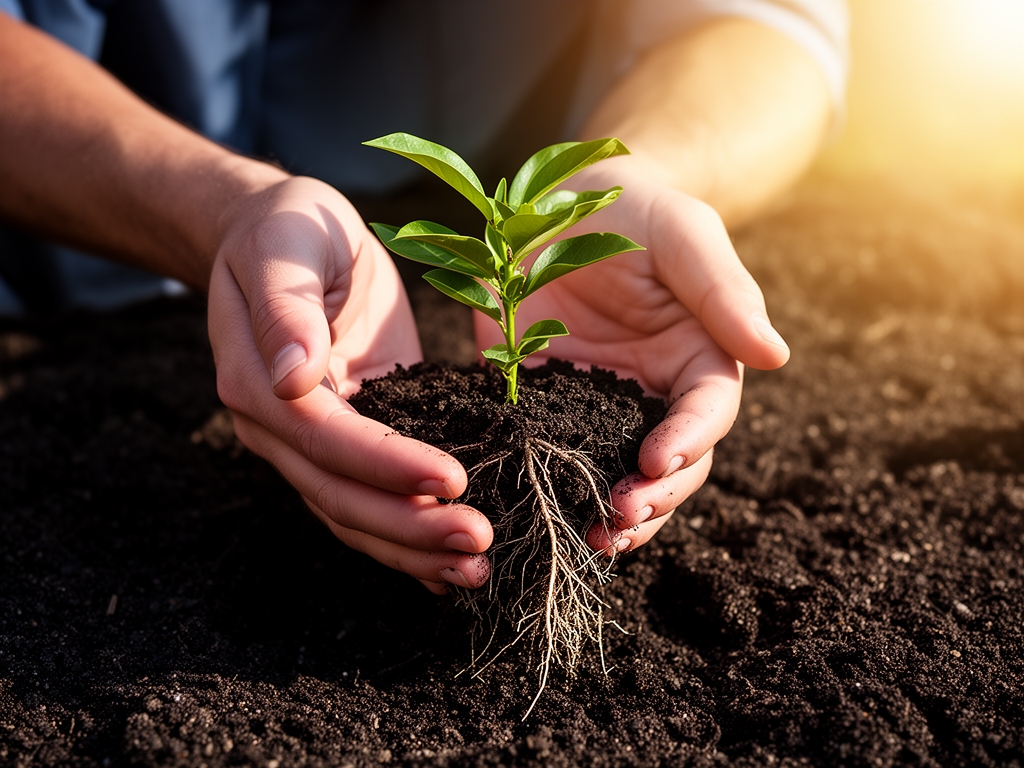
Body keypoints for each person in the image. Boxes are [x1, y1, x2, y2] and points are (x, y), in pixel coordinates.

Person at [0, 1, 847, 594]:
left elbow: (764, 28)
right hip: (69, 284)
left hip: (446, 234)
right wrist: (222, 209)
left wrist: (643, 171)